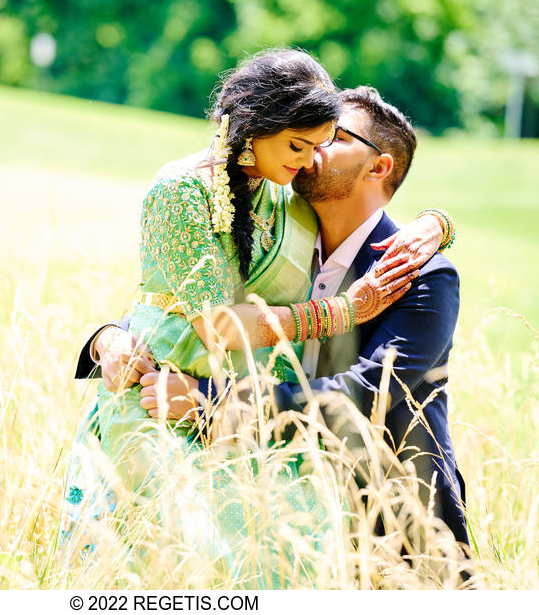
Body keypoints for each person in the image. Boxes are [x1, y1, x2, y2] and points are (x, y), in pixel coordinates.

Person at [62, 51, 449, 558]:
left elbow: (361, 397)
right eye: (304, 143)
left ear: (378, 166)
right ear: (257, 126)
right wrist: (108, 338)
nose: (312, 158)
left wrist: (437, 224)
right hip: (164, 406)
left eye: (327, 141)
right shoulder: (221, 189)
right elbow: (190, 307)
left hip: (368, 507)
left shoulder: (405, 269)